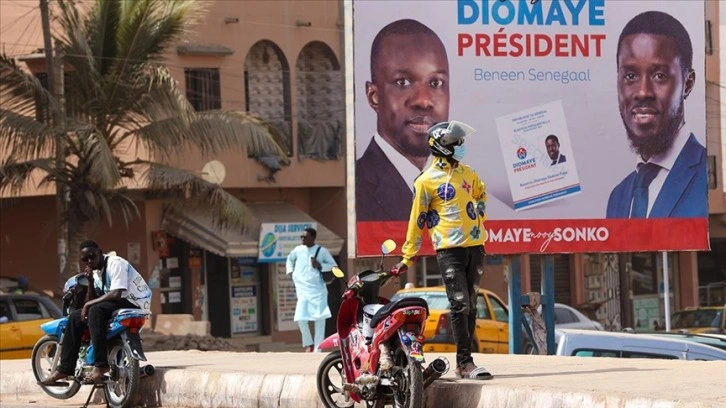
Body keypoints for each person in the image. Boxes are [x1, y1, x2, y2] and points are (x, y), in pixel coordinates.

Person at [393, 120, 492, 380]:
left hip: (476, 246)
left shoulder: (468, 173)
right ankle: (465, 362)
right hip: (449, 249)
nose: (461, 147)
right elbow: (417, 220)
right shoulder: (425, 182)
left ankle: (464, 363)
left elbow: (482, 194)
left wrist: (478, 213)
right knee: (459, 304)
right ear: (443, 147)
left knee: (471, 306)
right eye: (456, 143)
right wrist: (408, 255)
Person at [606, 11, 707, 218]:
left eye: (659, 75)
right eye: (630, 75)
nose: (643, 92)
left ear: (688, 83)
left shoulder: (705, 177)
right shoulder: (618, 197)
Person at [356, 18, 449, 221]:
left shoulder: (463, 186)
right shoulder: (356, 190)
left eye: (436, 82)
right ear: (374, 96)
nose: (423, 101)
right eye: (403, 82)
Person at [41, 240, 152, 385]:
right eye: (85, 259)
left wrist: (88, 304)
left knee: (94, 310)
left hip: (135, 301)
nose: (89, 261)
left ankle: (100, 365)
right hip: (117, 303)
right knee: (75, 317)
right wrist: (91, 282)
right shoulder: (96, 273)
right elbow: (97, 299)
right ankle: (65, 369)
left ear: (100, 252)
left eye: (92, 256)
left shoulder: (115, 263)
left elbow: (117, 294)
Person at [286, 227, 337, 352]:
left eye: (305, 237)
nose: (302, 239)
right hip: (303, 290)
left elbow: (334, 266)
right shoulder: (298, 250)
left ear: (313, 238)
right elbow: (289, 259)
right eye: (301, 237)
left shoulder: (322, 251)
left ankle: (317, 348)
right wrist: (291, 272)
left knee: (320, 320)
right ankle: (308, 343)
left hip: (318, 290)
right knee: (300, 318)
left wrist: (321, 265)